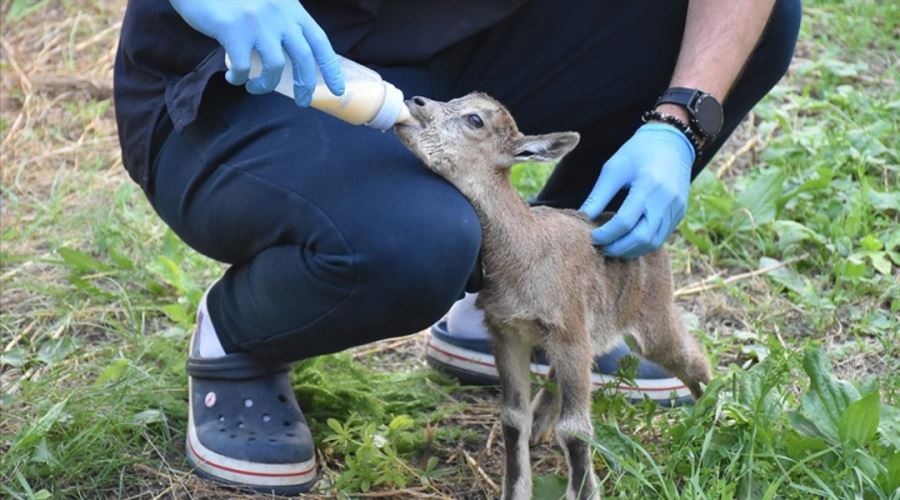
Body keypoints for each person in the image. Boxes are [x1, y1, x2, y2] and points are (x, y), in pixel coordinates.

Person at [114, 0, 801, 493]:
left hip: (478, 36)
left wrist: (680, 119)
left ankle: (519, 296)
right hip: (255, 57)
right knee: (416, 244)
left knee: (744, 23)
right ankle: (239, 338)